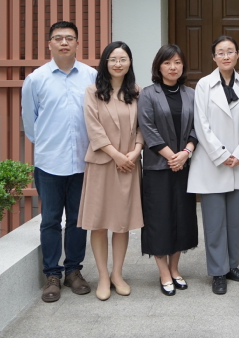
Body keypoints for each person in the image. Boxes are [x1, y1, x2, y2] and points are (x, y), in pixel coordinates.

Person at [21, 20, 96, 302]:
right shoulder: (36, 79)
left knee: (78, 220)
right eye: (58, 38)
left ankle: (73, 271)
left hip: (83, 161)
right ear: (49, 43)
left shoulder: (91, 76)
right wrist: (49, 144)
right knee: (50, 220)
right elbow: (30, 123)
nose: (64, 42)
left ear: (77, 43)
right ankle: (52, 274)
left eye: (69, 38)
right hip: (49, 163)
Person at [188, 35, 239, 295]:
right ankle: (218, 271)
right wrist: (221, 154)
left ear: (237, 55)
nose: (226, 56)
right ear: (213, 57)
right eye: (220, 52)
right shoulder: (204, 85)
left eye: (230, 51)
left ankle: (232, 266)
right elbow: (200, 123)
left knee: (234, 220)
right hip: (212, 162)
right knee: (214, 221)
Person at [78, 41, 144, 301]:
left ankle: (117, 274)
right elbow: (93, 128)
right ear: (105, 63)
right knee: (98, 223)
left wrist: (136, 151)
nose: (118, 64)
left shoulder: (137, 92)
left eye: (123, 59)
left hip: (128, 164)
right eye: (113, 59)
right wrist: (116, 155)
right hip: (102, 164)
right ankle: (103, 276)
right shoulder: (92, 92)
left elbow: (143, 126)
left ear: (129, 63)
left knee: (121, 222)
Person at [138, 44, 199, 296]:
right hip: (157, 168)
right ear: (158, 66)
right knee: (159, 220)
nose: (173, 67)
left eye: (177, 62)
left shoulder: (191, 94)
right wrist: (171, 156)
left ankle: (175, 268)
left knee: (182, 219)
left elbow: (197, 127)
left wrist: (185, 153)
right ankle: (163, 271)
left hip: (184, 166)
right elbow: (147, 127)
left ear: (183, 66)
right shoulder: (148, 94)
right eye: (167, 63)